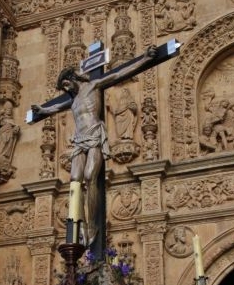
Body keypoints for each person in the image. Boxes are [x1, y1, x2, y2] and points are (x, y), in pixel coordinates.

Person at [30, 45, 158, 246]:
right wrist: (41, 110)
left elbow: (120, 74)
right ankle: (80, 224)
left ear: (73, 79)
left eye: (66, 84)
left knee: (90, 177)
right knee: (74, 181)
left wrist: (144, 59)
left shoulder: (94, 85)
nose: (66, 89)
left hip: (95, 136)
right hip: (79, 141)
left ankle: (92, 225)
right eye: (63, 87)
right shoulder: (72, 101)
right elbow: (54, 106)